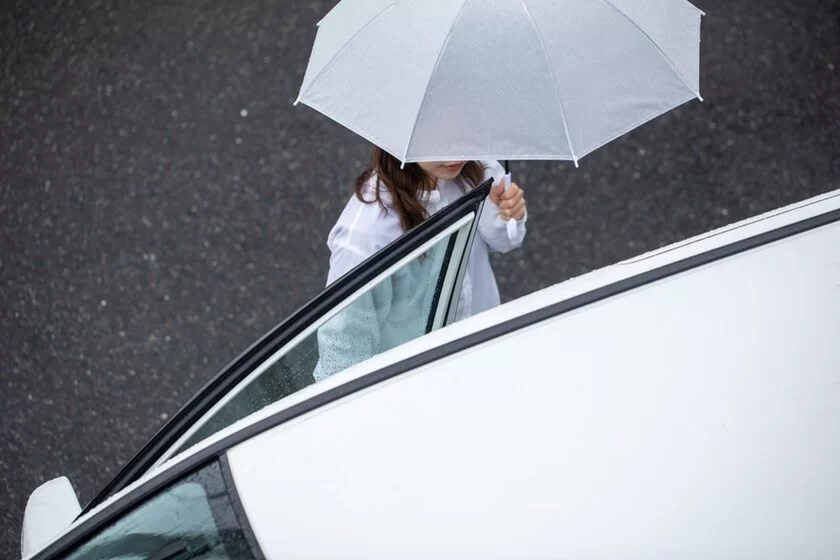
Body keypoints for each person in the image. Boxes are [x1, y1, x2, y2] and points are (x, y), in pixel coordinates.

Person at [312, 146, 527, 382]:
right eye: (440, 141)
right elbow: (342, 359)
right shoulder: (366, 236)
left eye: (461, 132)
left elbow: (506, 241)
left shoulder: (478, 168)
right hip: (417, 384)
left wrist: (506, 214)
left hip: (485, 351)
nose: (457, 157)